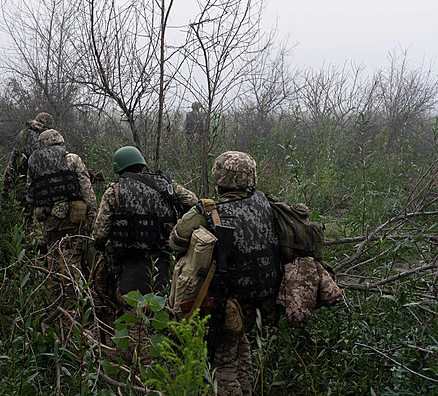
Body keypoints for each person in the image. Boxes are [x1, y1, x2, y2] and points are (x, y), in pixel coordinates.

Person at [168, 150, 283, 396]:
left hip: (227, 304)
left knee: (224, 368)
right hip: (262, 301)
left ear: (219, 178)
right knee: (240, 351)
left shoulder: (208, 210)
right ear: (251, 177)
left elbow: (175, 241)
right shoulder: (266, 203)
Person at [91, 146, 198, 300]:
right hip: (161, 260)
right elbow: (193, 202)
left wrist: (100, 246)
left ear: (119, 168)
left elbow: (100, 233)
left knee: (131, 308)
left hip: (128, 262)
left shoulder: (114, 191)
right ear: (141, 164)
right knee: (160, 304)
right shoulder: (165, 184)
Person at [26, 129, 97, 266]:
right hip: (73, 219)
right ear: (59, 141)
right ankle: (73, 285)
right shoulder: (72, 159)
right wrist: (92, 219)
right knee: (72, 261)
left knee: (54, 262)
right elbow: (88, 193)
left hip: (49, 220)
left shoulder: (33, 165)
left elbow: (30, 196)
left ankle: (56, 285)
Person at [1, 112, 54, 206]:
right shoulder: (43, 137)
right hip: (33, 185)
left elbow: (12, 162)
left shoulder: (23, 133)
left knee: (19, 211)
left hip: (17, 180)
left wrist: (5, 188)